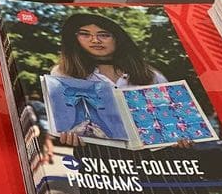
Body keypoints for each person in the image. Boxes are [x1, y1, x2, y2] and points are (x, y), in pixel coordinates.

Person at [51, 13, 168, 146]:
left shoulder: (151, 75)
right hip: (94, 154)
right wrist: (67, 134)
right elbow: (64, 118)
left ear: (118, 39)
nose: (95, 40)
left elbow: (168, 117)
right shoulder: (63, 73)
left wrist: (178, 137)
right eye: (85, 34)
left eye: (104, 35)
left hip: (151, 154)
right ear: (75, 38)